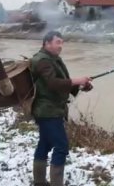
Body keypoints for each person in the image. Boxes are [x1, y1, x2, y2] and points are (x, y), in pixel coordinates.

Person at [30, 31, 93, 186]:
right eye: (57, 42)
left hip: (49, 109)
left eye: (62, 43)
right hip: (47, 110)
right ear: (47, 43)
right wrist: (77, 80)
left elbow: (62, 83)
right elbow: (52, 83)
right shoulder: (43, 61)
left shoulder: (53, 59)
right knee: (61, 146)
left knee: (44, 143)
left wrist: (80, 86)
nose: (60, 46)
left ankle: (39, 182)